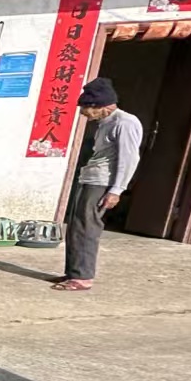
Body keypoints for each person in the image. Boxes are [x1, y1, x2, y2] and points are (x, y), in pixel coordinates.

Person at [56, 77, 141, 292]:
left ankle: (83, 277)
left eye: (87, 107)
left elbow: (129, 159)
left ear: (103, 106)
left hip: (103, 182)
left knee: (87, 228)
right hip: (90, 178)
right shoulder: (105, 122)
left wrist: (116, 190)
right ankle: (74, 272)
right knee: (75, 227)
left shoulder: (125, 123)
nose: (84, 112)